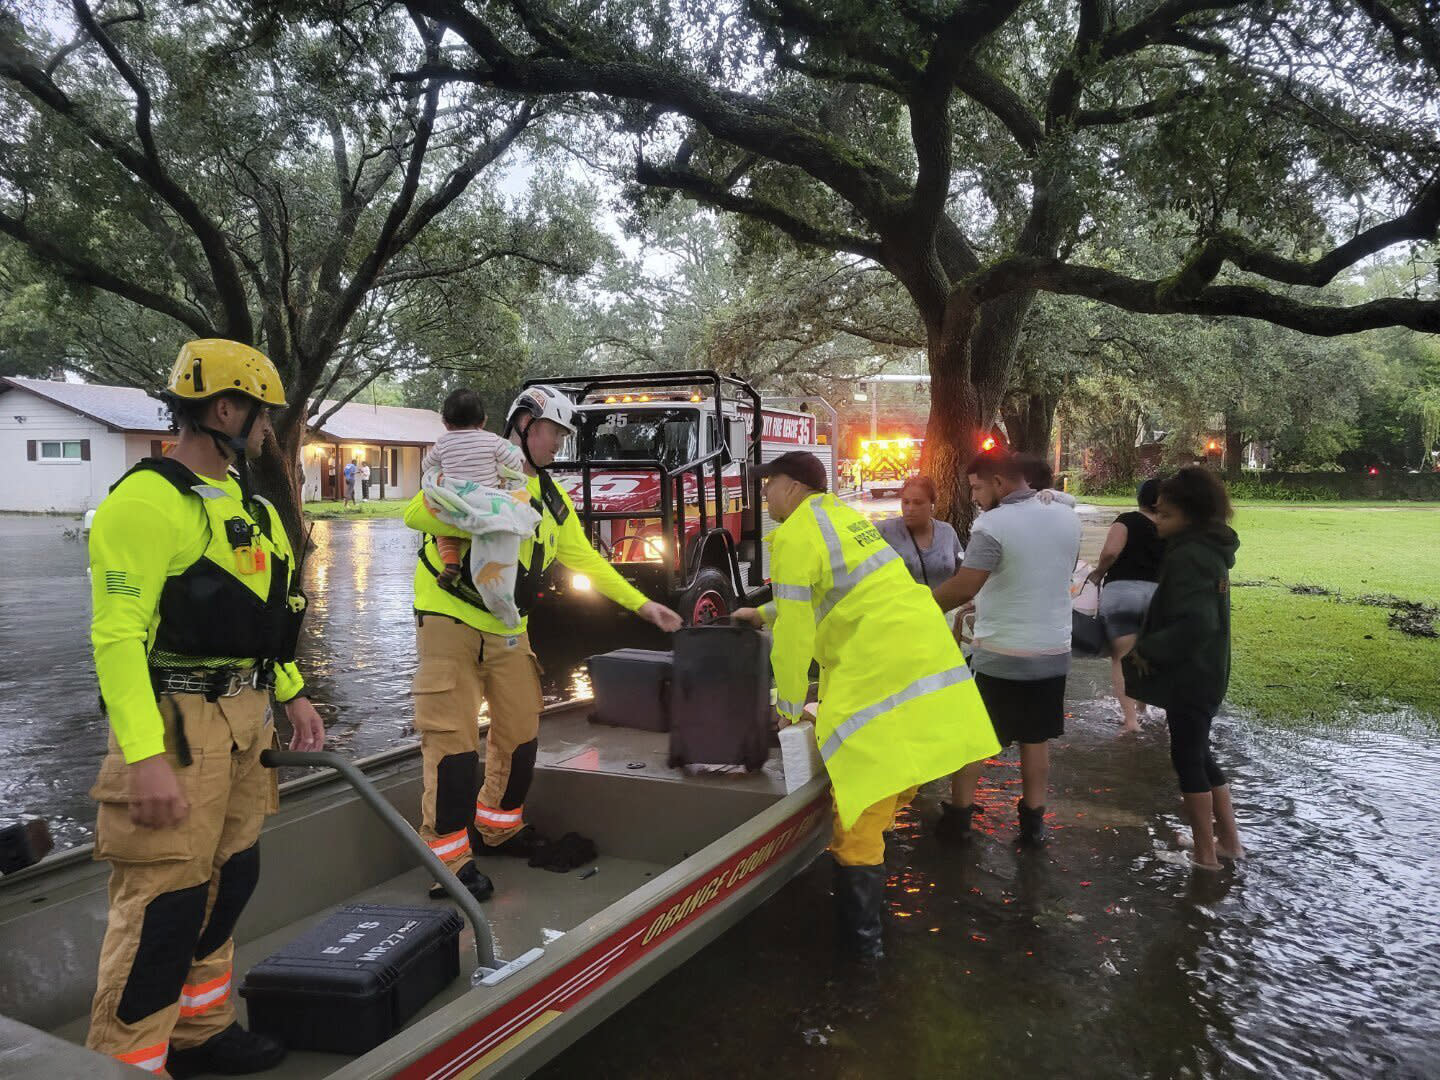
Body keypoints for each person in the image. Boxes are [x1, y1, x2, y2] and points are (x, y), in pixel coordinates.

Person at [85, 339, 326, 1077]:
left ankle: (200, 1029)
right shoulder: (147, 501)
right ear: (225, 408)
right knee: (164, 901)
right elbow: (117, 637)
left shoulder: (242, 502)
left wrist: (291, 694)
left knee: (228, 878)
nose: (268, 431)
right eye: (261, 416)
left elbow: (257, 618)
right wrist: (145, 752)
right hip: (176, 726)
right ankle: (127, 1060)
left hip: (245, 719)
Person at [403, 384, 684, 902]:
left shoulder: (552, 502)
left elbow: (587, 560)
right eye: (554, 431)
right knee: (453, 748)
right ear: (525, 424)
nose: (559, 443)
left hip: (510, 628)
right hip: (450, 621)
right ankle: (449, 862)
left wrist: (642, 605)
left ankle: (498, 829)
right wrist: (481, 510)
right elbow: (417, 514)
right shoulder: (471, 476)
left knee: (521, 734)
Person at [733, 451, 999, 960]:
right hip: (921, 656)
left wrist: (789, 707)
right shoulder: (845, 519)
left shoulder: (793, 534)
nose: (763, 496)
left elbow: (795, 632)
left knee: (857, 812)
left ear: (790, 486)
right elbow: (836, 594)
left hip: (877, 668)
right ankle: (875, 908)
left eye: (767, 486)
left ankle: (863, 953)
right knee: (899, 776)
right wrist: (759, 612)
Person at [932, 450, 1082, 847]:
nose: (975, 498)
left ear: (999, 483)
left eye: (977, 488)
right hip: (1052, 651)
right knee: (1035, 741)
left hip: (1002, 654)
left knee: (975, 737)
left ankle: (959, 818)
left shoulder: (992, 524)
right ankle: (1033, 823)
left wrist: (916, 608)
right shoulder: (1067, 516)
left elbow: (965, 585)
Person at [1124, 467, 1243, 871]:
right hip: (1206, 671)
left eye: (1166, 515)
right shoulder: (1205, 550)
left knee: (1187, 758)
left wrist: (1149, 650)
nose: (1157, 521)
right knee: (1201, 754)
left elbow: (1198, 622)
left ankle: (1206, 854)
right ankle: (1228, 841)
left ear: (1191, 515)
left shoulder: (1190, 556)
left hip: (1192, 675)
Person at [423, 388, 528, 588]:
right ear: (483, 421)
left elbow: (426, 466)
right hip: (486, 502)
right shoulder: (492, 440)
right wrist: (501, 474)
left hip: (456, 502)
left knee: (444, 533)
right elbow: (514, 464)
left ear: (445, 423)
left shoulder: (443, 442)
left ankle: (452, 562)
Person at [1087, 478, 1166, 732]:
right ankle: (1145, 708)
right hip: (1158, 595)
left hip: (1122, 593)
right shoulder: (1172, 527)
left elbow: (1111, 551)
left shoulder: (1128, 520)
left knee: (1122, 657)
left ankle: (1131, 721)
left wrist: (1099, 572)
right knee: (1149, 654)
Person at [875, 476, 963, 587]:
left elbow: (960, 571)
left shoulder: (947, 532)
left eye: (918, 503)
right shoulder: (884, 530)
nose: (910, 508)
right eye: (906, 502)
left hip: (942, 603)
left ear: (932, 505)